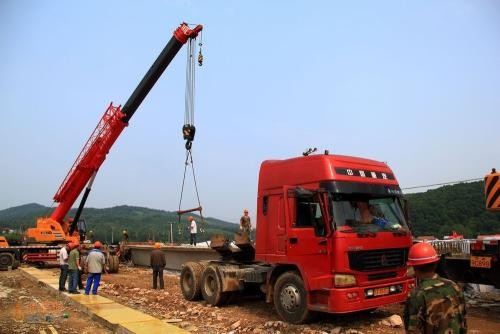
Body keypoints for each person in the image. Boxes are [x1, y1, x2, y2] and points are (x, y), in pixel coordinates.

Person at [403, 242, 467, 334]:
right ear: (436, 263)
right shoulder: (453, 286)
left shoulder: (417, 294)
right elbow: (463, 321)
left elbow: (412, 328)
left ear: (414, 267)